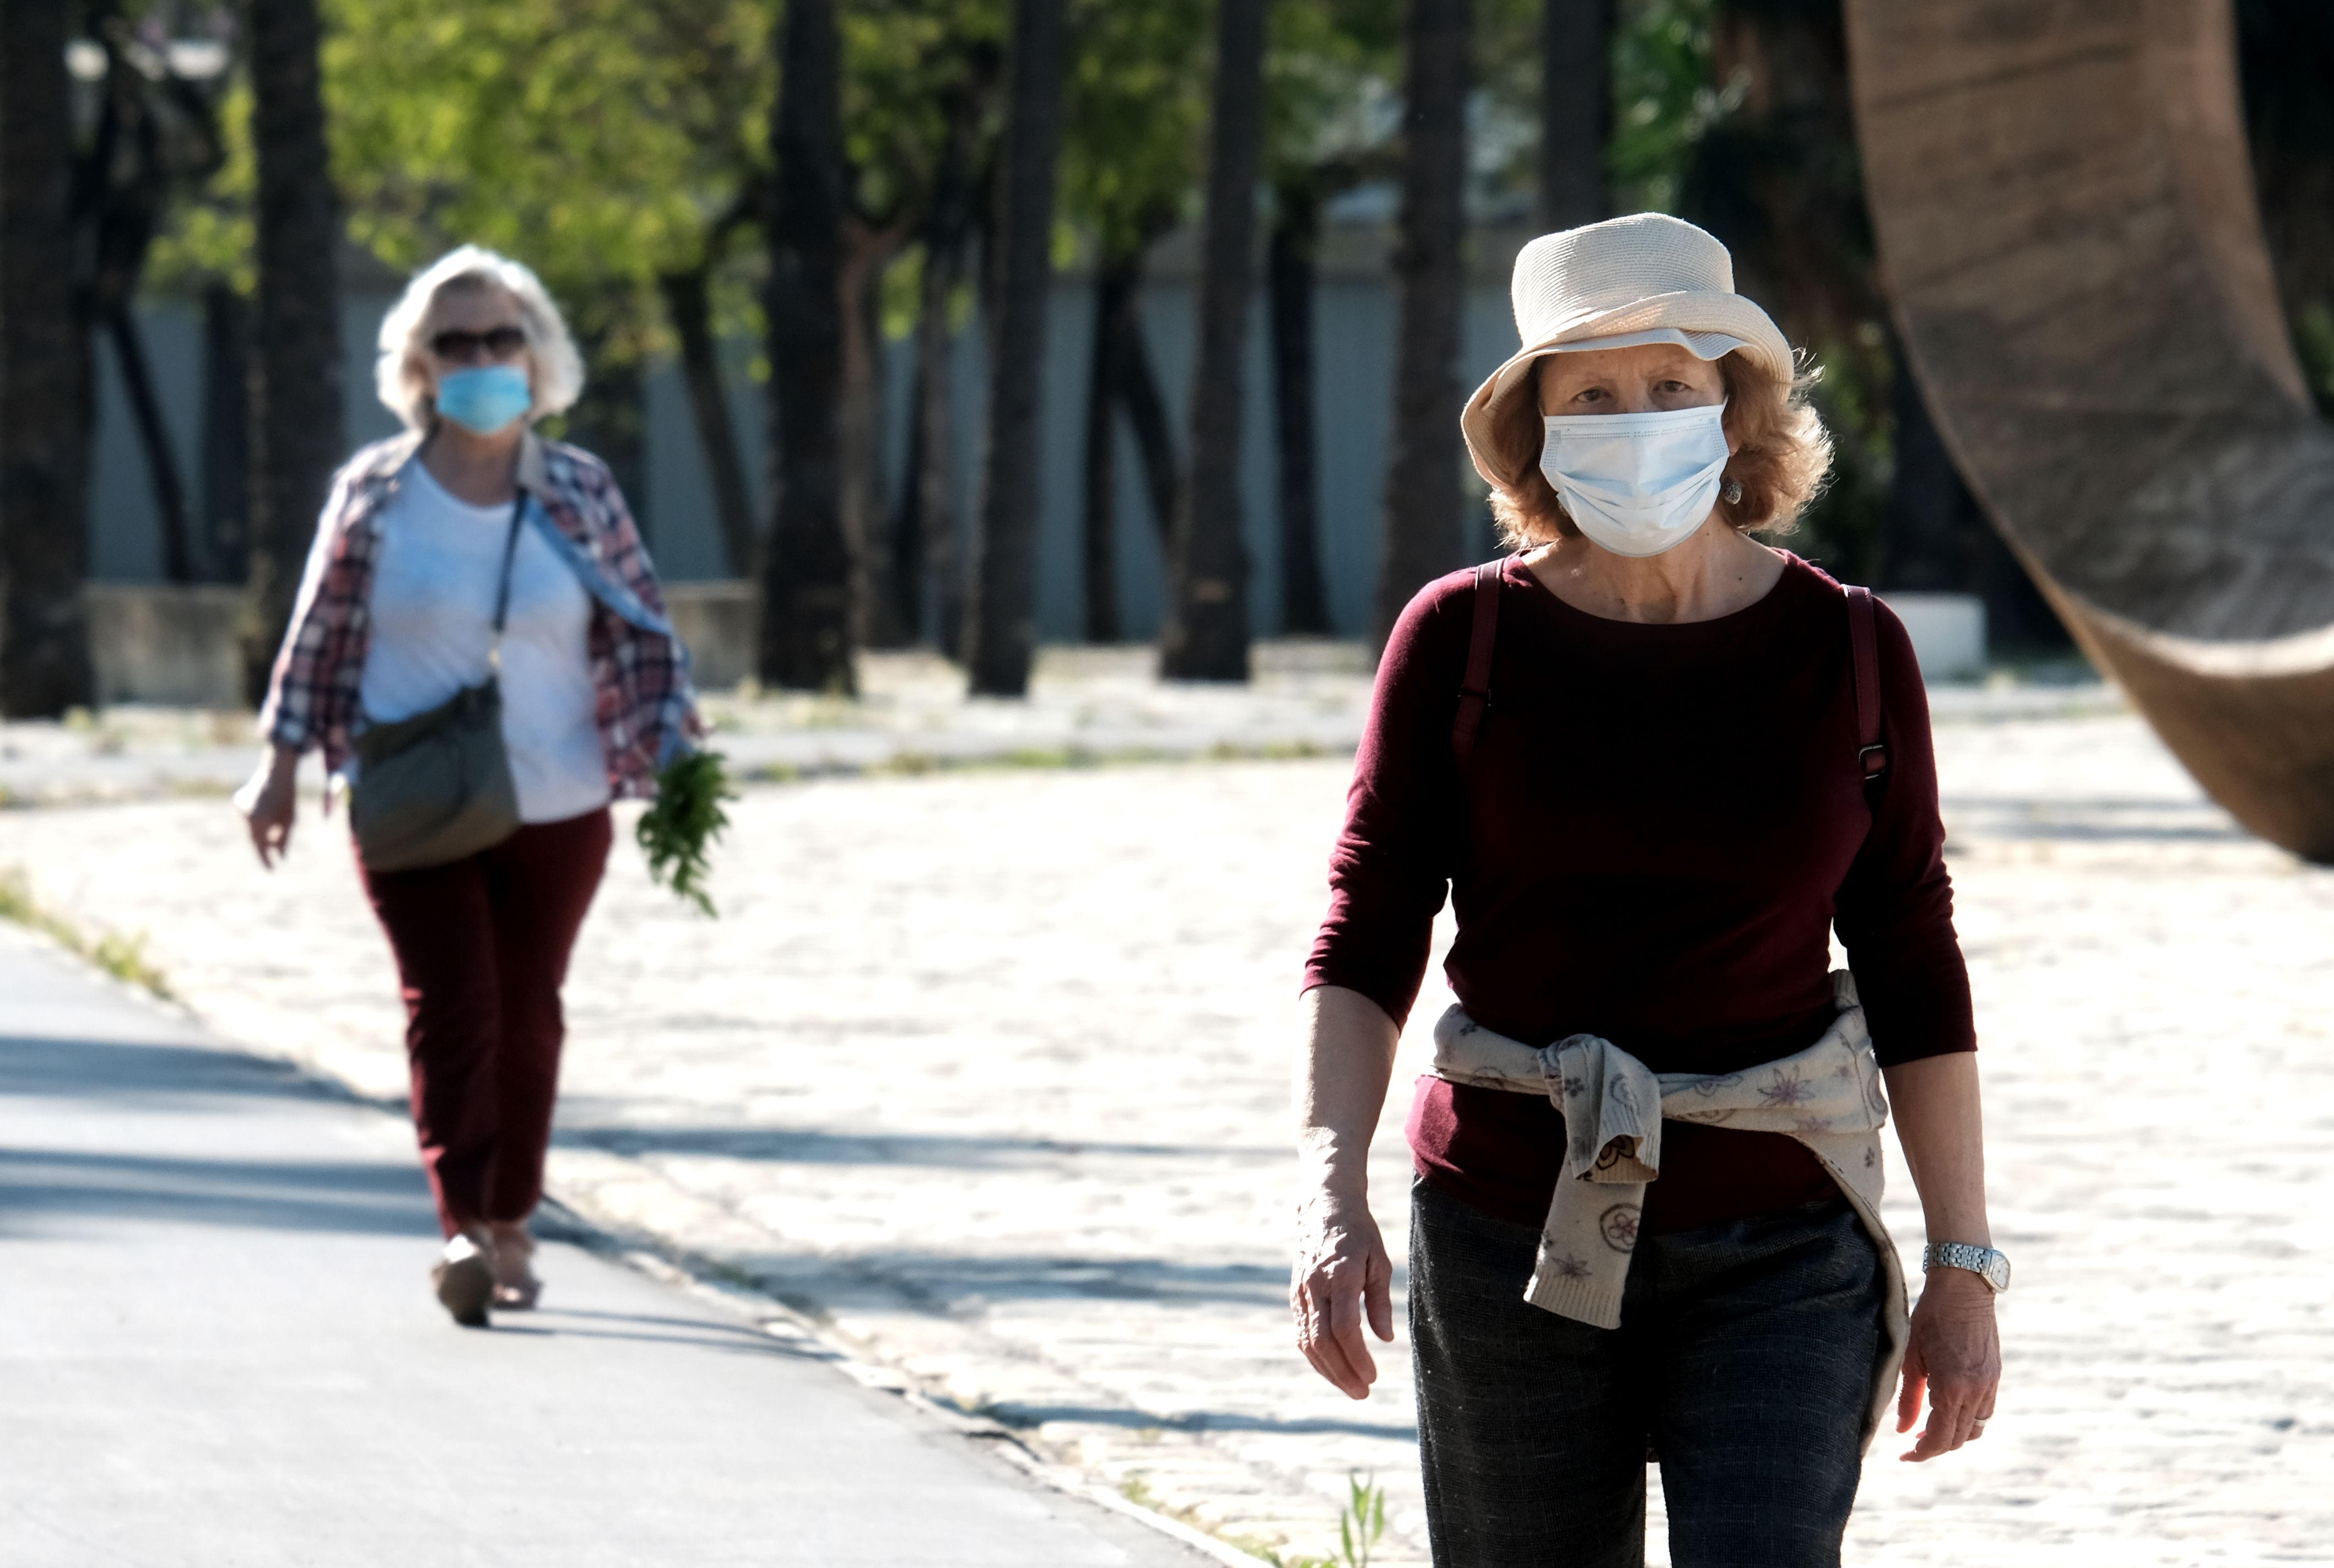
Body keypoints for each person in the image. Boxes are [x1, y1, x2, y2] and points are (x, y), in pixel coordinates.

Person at [1290, 213, 2005, 1567]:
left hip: (1784, 1238)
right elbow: (1369, 924)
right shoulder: (1461, 639)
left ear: (1734, 410)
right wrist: (1332, 1195)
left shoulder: (1851, 649)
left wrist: (1965, 1261)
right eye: (1593, 395)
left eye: (1670, 385)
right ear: (1536, 432)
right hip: (1508, 1225)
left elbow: (1914, 951)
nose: (1637, 419)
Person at [236, 246, 702, 1328]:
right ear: (419, 366)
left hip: (559, 798)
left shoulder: (581, 490)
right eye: (458, 341)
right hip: (412, 793)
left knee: (529, 1014)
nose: (484, 356)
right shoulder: (376, 492)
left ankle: (511, 1220)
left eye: (503, 337)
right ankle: (460, 1229)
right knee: (455, 1008)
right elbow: (319, 635)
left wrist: (676, 741)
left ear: (537, 360)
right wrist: (280, 763)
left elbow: (644, 627)